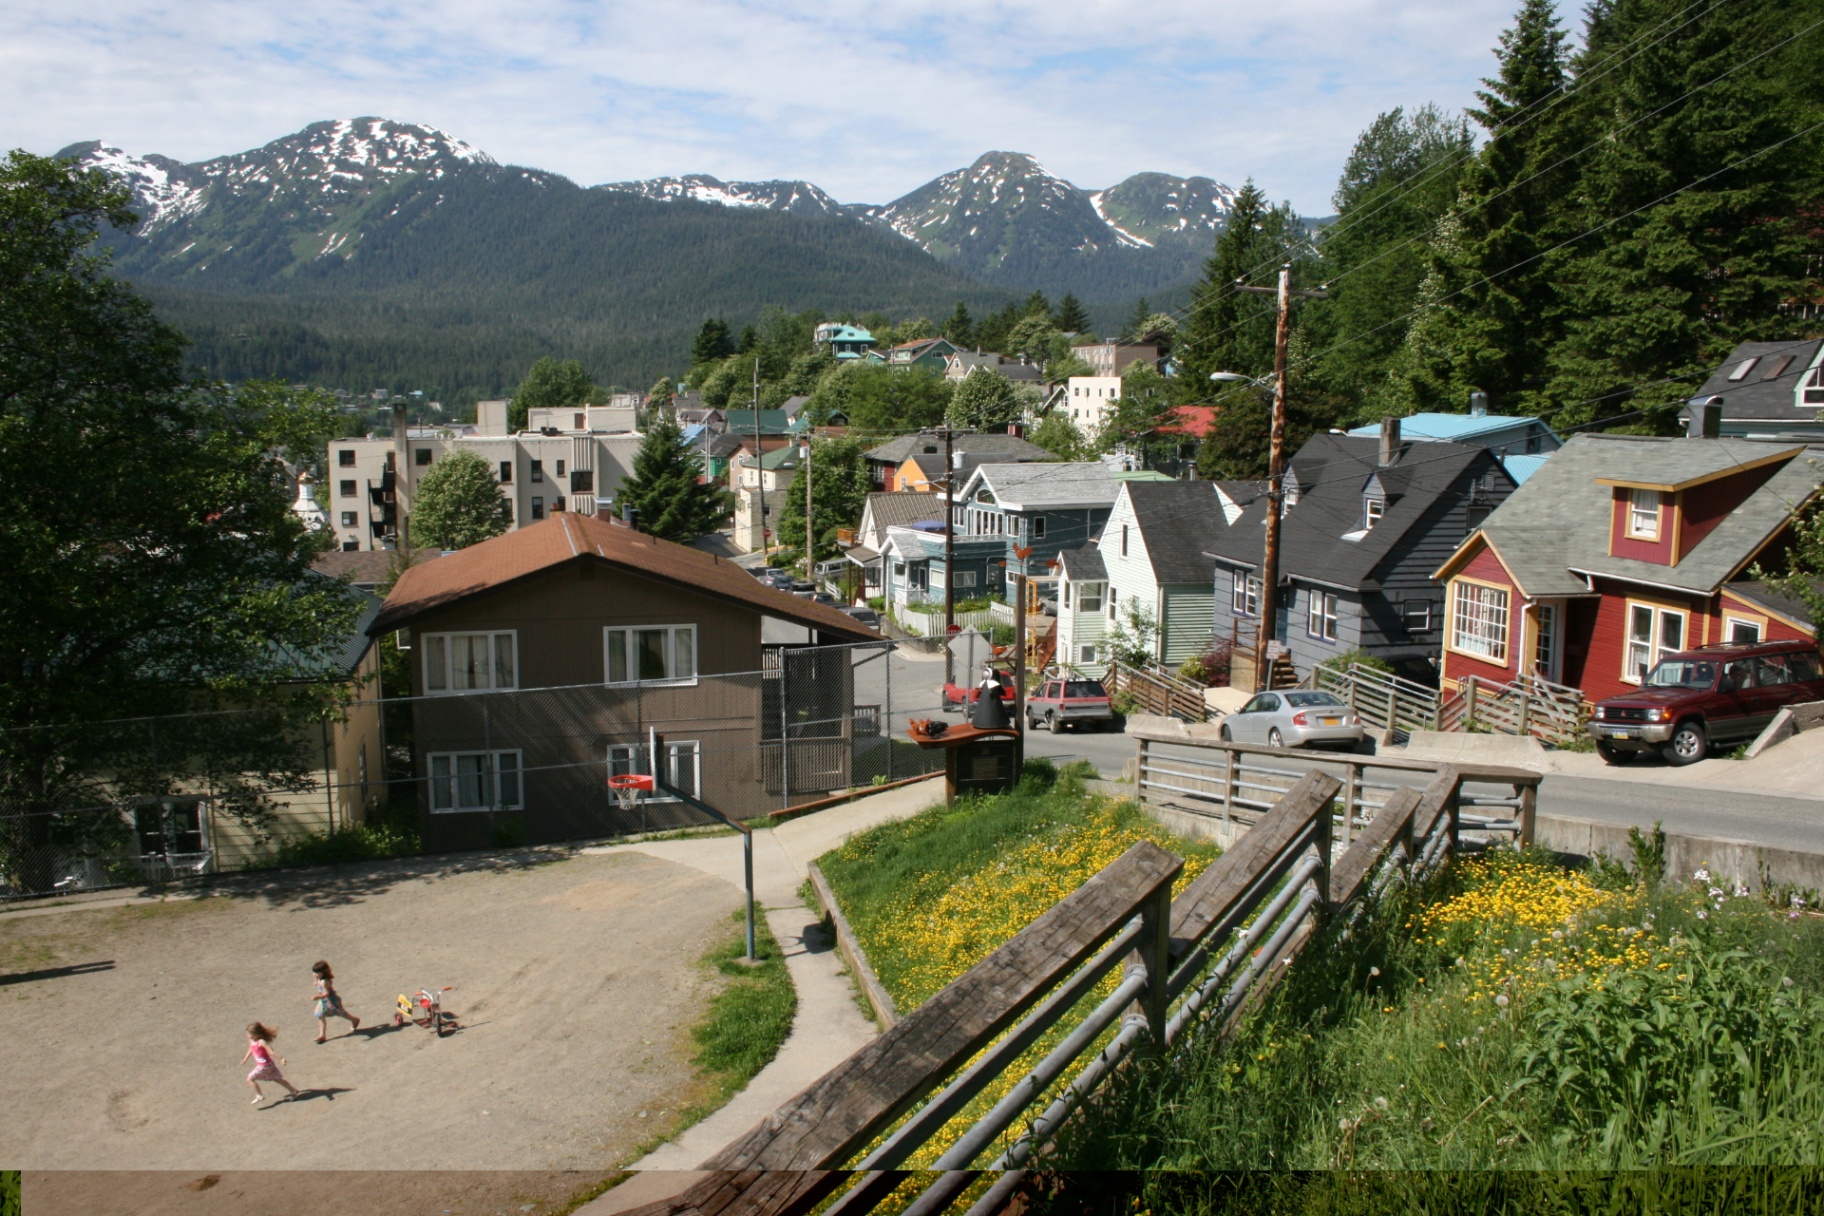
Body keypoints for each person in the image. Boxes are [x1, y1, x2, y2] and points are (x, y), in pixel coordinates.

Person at [242, 1022, 299, 1104]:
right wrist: (245, 1058)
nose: (248, 1035)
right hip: (268, 1065)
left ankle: (259, 1095)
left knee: (250, 1078)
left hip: (264, 1066)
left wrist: (281, 1058)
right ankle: (293, 1091)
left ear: (256, 1034)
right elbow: (251, 1049)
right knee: (277, 1079)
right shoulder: (252, 1040)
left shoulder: (261, 1042)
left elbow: (271, 1052)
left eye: (250, 1034)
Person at [311, 960, 360, 1042]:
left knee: (340, 1013)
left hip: (331, 1001)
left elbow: (327, 993)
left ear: (323, 973)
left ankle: (354, 1020)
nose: (315, 975)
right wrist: (317, 984)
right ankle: (322, 1035)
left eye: (318, 973)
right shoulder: (321, 980)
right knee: (320, 1015)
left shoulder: (324, 982)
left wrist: (317, 997)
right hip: (324, 1001)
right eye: (314, 973)